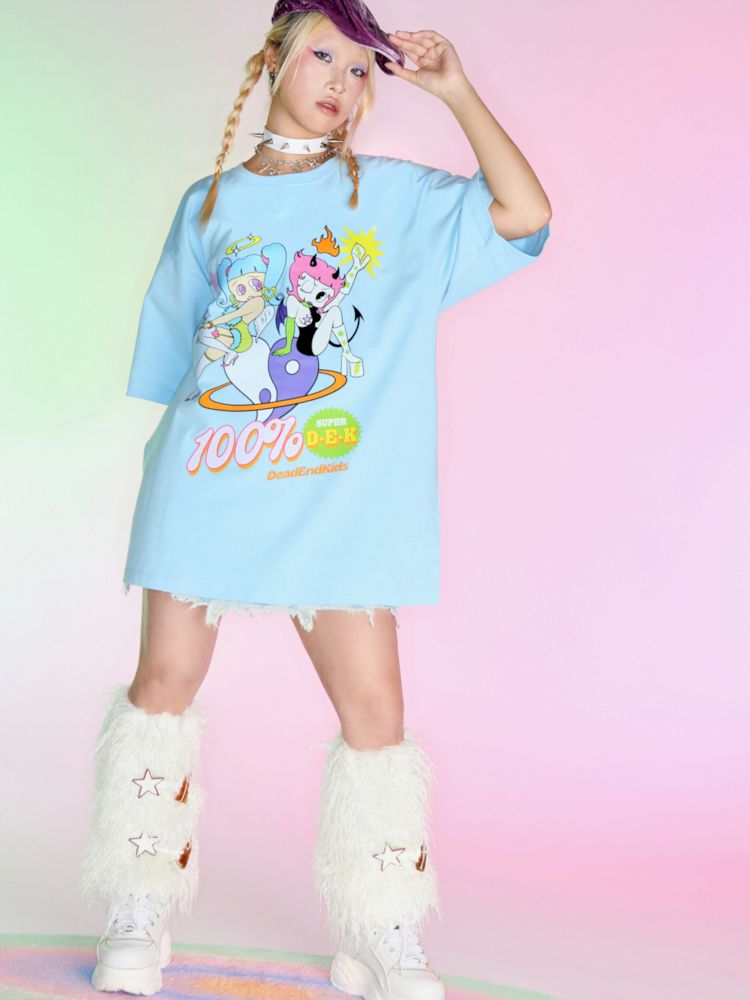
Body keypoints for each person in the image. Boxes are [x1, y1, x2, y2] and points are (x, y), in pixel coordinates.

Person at [78, 0, 552, 996]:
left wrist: (458, 91)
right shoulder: (207, 205)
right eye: (321, 56)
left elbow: (524, 215)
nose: (341, 80)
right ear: (273, 60)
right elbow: (181, 375)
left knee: (376, 712)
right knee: (161, 688)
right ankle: (138, 903)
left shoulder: (400, 199)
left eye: (359, 67)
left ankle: (381, 926)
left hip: (341, 501)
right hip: (211, 481)